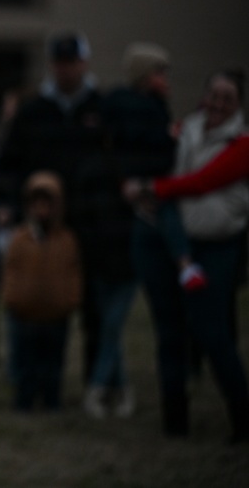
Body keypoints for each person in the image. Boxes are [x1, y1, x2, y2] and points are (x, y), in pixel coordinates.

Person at [127, 69, 249, 442]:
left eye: (227, 98)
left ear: (238, 105)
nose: (218, 104)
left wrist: (152, 187)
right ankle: (175, 420)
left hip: (217, 245)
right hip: (172, 242)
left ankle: (242, 418)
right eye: (214, 95)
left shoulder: (242, 144)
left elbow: (200, 182)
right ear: (204, 96)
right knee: (169, 333)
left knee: (213, 333)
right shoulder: (184, 131)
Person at [0, 31, 106, 386]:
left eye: (71, 62)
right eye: (59, 62)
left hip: (87, 222)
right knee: (32, 299)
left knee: (90, 305)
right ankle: (27, 378)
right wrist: (9, 206)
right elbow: (8, 164)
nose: (65, 70)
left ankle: (94, 378)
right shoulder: (33, 111)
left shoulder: (101, 109)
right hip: (39, 220)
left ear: (83, 64)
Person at [78, 42, 175, 419]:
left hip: (103, 233)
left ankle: (111, 387)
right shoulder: (149, 123)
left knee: (110, 319)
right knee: (113, 319)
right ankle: (104, 387)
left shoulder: (105, 127)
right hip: (129, 231)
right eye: (159, 72)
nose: (165, 80)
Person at [1, 171, 82, 412]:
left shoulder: (66, 240)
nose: (42, 210)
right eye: (36, 204)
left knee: (53, 361)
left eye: (47, 204)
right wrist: (13, 299)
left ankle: (51, 399)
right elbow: (11, 271)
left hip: (56, 314)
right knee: (26, 360)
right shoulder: (20, 239)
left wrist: (69, 300)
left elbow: (73, 272)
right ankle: (24, 400)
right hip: (25, 313)